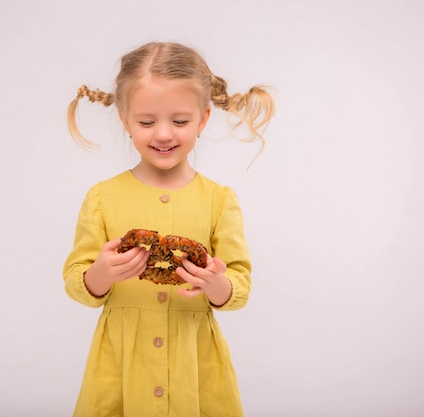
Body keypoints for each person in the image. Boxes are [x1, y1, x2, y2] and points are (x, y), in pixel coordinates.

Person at [63, 41, 274, 417]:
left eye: (179, 121)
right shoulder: (102, 197)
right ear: (125, 119)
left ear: (203, 119)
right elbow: (77, 281)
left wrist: (216, 284)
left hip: (195, 363)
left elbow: (239, 283)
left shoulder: (219, 200)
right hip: (122, 362)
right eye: (146, 122)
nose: (163, 134)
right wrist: (101, 273)